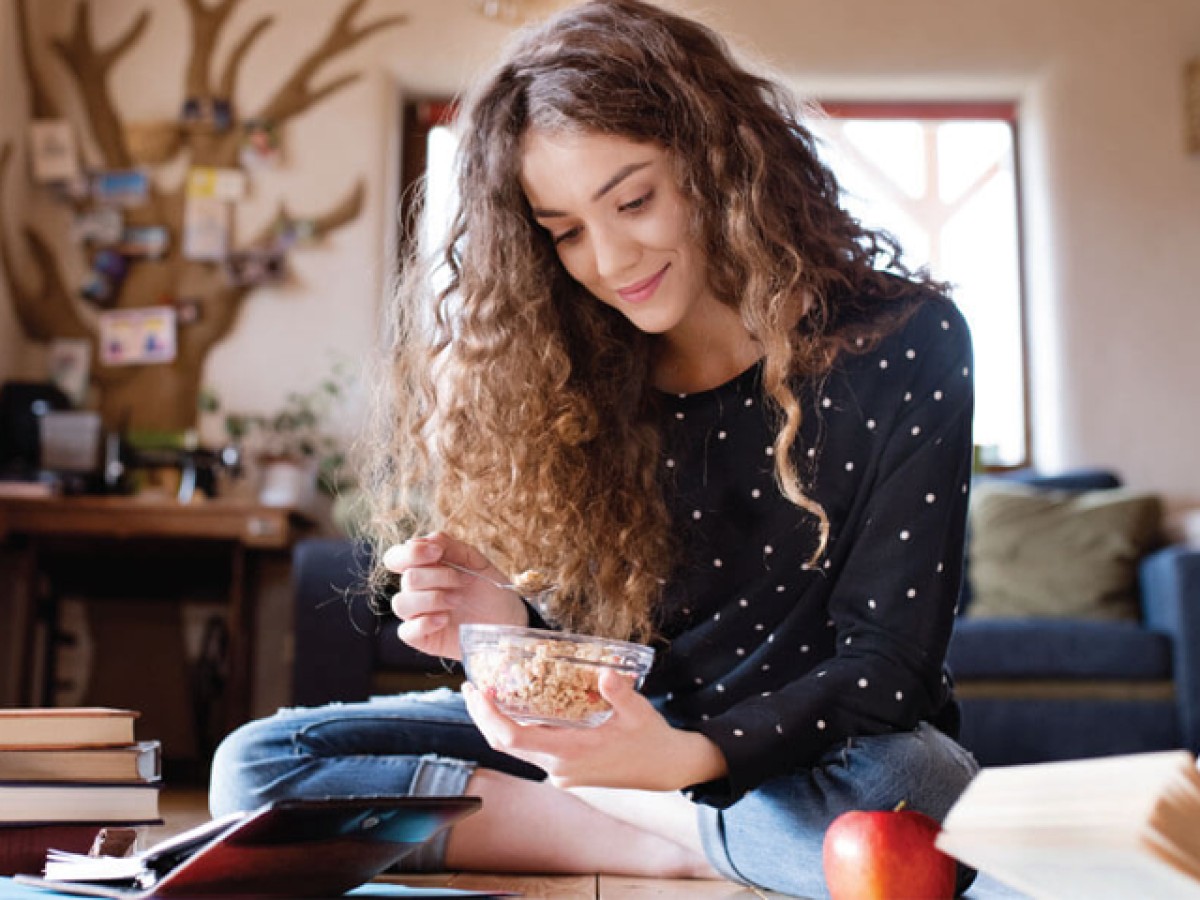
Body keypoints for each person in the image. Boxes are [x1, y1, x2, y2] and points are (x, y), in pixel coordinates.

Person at [209, 1, 980, 895]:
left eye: (634, 201)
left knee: (913, 793)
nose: (610, 261)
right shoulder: (573, 371)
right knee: (260, 768)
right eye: (566, 231)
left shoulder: (905, 340)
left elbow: (888, 671)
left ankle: (638, 817)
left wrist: (688, 759)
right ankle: (673, 841)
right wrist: (506, 632)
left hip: (818, 756)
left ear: (719, 161)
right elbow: (613, 664)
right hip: (625, 748)